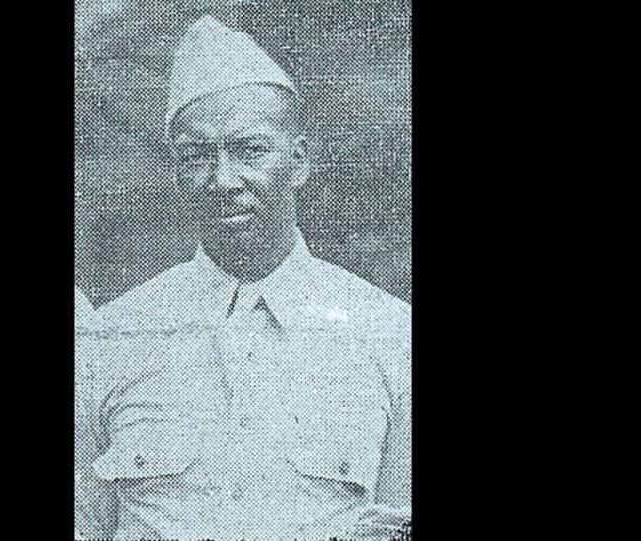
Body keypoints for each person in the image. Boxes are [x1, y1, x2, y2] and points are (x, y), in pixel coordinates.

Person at [75, 15, 411, 541]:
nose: (223, 179)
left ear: (298, 161)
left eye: (249, 150)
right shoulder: (112, 336)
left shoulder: (387, 333)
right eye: (198, 156)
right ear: (176, 172)